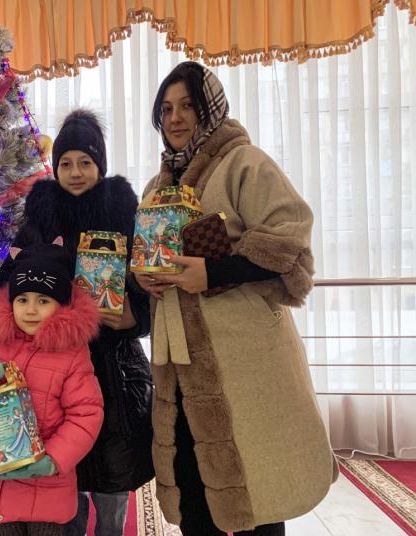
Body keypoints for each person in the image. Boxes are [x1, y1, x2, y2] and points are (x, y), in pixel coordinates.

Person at [133, 61, 338, 536]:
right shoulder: (156, 187)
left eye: (187, 105)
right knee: (193, 483)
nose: (175, 118)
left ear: (210, 109)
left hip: (245, 362)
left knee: (259, 482)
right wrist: (144, 278)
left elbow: (289, 243)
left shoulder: (246, 163)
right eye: (166, 109)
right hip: (179, 364)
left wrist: (214, 272)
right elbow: (150, 256)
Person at [0, 110, 154, 536]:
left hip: (114, 371)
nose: (76, 172)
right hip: (54, 375)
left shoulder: (126, 217)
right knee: (67, 483)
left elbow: (151, 289)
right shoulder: (38, 223)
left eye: (85, 162)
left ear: (100, 164)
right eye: (66, 163)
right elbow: (6, 288)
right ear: (55, 167)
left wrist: (133, 317)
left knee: (113, 485)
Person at [0, 243, 105, 536]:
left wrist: (53, 460)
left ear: (61, 304)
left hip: (45, 491)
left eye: (43, 300)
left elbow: (87, 415)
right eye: (22, 299)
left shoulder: (72, 354)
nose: (31, 309)